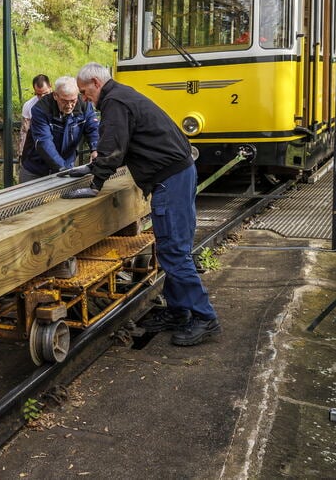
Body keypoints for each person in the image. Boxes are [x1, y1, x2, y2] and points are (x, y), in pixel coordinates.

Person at [66, 62, 220, 347]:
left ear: (96, 84)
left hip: (169, 180)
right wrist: (94, 167)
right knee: (172, 249)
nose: (84, 99)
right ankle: (178, 311)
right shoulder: (124, 95)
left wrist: (95, 185)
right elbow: (126, 145)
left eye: (85, 92)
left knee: (174, 250)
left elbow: (112, 148)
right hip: (177, 174)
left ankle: (204, 317)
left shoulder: (113, 102)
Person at [19, 76, 99, 183]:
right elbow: (44, 142)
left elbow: (93, 127)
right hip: (36, 168)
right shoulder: (40, 109)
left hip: (67, 163)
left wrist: (95, 148)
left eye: (73, 101)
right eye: (65, 101)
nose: (69, 106)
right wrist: (62, 168)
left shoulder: (84, 105)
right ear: (55, 95)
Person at [18, 74, 51, 155]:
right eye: (38, 94)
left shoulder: (61, 102)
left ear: (50, 86)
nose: (42, 97)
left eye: (45, 93)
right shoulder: (29, 105)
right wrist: (21, 152)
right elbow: (24, 131)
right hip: (36, 148)